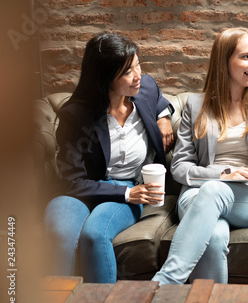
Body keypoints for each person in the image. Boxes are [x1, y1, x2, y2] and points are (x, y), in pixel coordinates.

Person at [152, 27, 248, 285]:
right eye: (246, 57)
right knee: (216, 233)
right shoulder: (196, 106)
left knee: (213, 192)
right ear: (224, 61)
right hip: (197, 194)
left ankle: (163, 283)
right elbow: (179, 167)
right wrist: (223, 174)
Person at [44, 33, 175, 283]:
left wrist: (163, 116)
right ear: (105, 78)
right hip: (81, 191)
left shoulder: (144, 88)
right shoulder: (76, 115)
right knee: (60, 234)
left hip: (128, 184)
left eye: (137, 64)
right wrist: (128, 195)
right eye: (127, 71)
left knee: (95, 235)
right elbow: (71, 181)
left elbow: (158, 97)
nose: (138, 75)